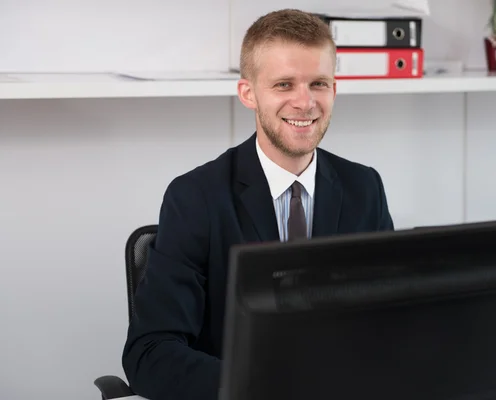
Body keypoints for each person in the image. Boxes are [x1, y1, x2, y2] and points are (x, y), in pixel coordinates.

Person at [122, 8, 394, 400]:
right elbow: (150, 355)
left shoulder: (363, 187)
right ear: (248, 93)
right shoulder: (195, 197)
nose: (305, 103)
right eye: (284, 85)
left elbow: (391, 322)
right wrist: (263, 385)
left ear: (334, 88)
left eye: (318, 83)